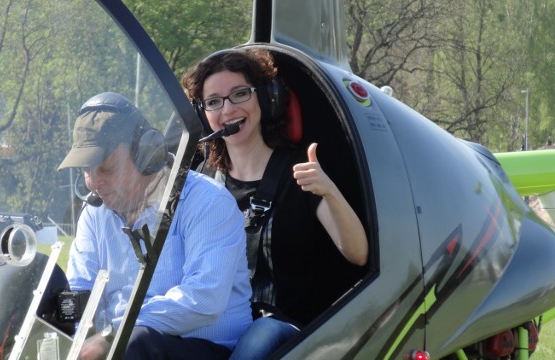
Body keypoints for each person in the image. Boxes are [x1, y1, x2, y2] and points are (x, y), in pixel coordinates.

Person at [182, 48, 369, 359]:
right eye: (214, 101)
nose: (227, 109)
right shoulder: (199, 182)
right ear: (203, 113)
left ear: (265, 98)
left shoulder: (299, 175)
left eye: (240, 94)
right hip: (216, 326)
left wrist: (329, 191)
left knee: (260, 335)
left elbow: (358, 253)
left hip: (280, 330)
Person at [57, 92, 252, 360]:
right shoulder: (94, 214)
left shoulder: (207, 202)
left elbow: (204, 299)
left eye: (105, 168)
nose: (93, 182)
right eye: (86, 171)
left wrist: (113, 335)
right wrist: (72, 337)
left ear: (145, 153)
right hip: (122, 346)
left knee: (137, 343)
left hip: (204, 348)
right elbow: (80, 288)